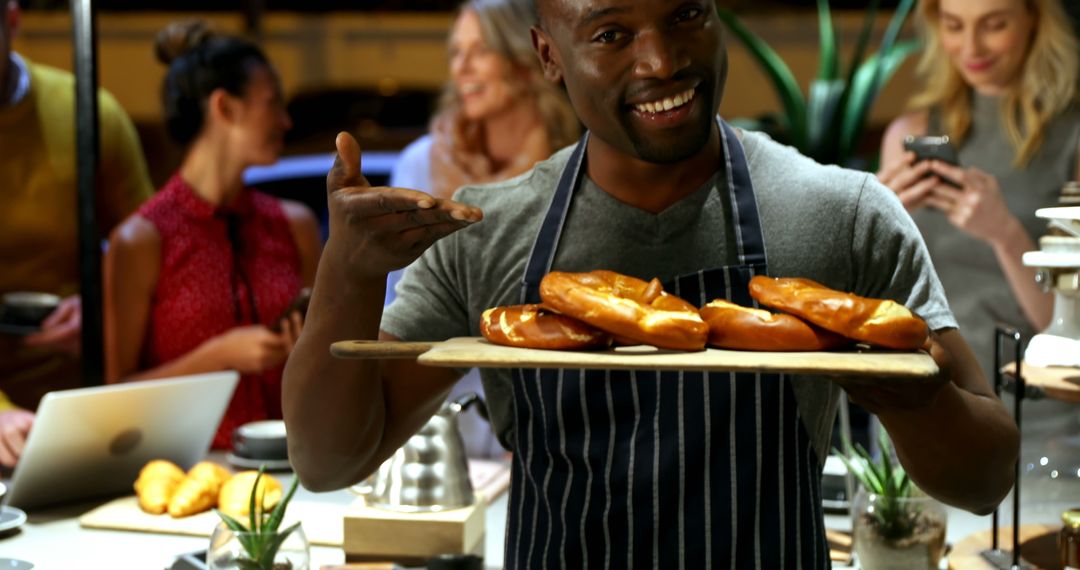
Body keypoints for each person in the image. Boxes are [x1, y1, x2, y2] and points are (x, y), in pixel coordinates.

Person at [284, 0, 1019, 566]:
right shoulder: (484, 236)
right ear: (549, 54)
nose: (663, 60)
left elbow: (986, 479)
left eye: (687, 15)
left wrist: (911, 397)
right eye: (610, 34)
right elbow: (329, 459)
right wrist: (346, 276)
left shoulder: (843, 215)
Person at [104, 21, 321, 450]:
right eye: (272, 102)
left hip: (295, 463)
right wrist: (219, 356)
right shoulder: (143, 239)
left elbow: (326, 361)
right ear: (225, 107)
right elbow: (116, 396)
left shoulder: (293, 224)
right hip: (185, 470)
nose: (285, 119)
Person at [389, 0, 580, 458]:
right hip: (441, 427)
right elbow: (398, 305)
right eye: (456, 52)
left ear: (524, 57)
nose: (463, 66)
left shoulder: (575, 158)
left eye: (480, 50)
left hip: (556, 425)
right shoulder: (422, 163)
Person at [877, 0, 1080, 380]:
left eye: (994, 25)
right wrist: (877, 224)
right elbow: (878, 304)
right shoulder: (908, 133)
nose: (971, 48)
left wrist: (1005, 235)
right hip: (924, 395)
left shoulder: (1072, 138)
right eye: (954, 25)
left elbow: (1072, 327)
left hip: (1041, 401)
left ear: (1034, 18)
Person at [0, 0, 153, 467]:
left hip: (84, 410)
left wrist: (106, 309)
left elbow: (153, 253)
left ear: (11, 20)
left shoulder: (86, 112)